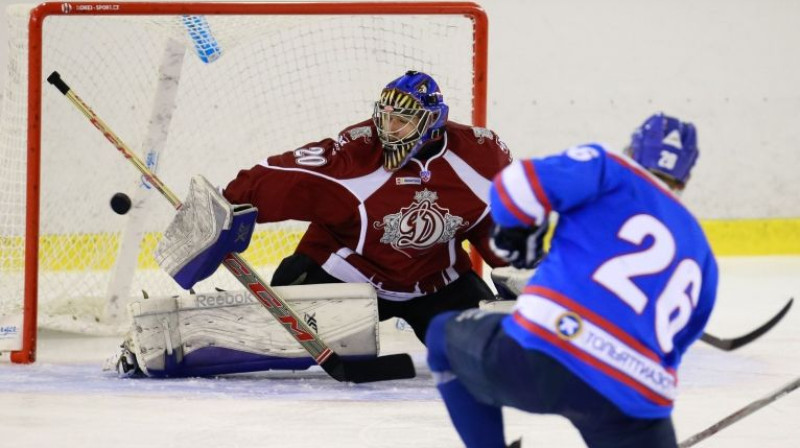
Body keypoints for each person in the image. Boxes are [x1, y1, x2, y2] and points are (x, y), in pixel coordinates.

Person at [425, 113, 718, 448]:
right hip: (635, 400)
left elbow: (516, 184)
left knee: (441, 336)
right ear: (686, 176)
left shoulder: (610, 168)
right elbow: (681, 339)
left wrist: (518, 231)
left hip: (547, 356)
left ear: (633, 150)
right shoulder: (701, 248)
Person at [222, 70, 512, 344]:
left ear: (433, 120)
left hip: (436, 284)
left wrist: (521, 279)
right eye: (385, 118)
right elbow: (285, 178)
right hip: (346, 279)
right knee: (280, 343)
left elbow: (499, 224)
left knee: (498, 353)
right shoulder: (357, 155)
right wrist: (228, 206)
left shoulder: (480, 159)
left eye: (401, 120)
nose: (389, 129)